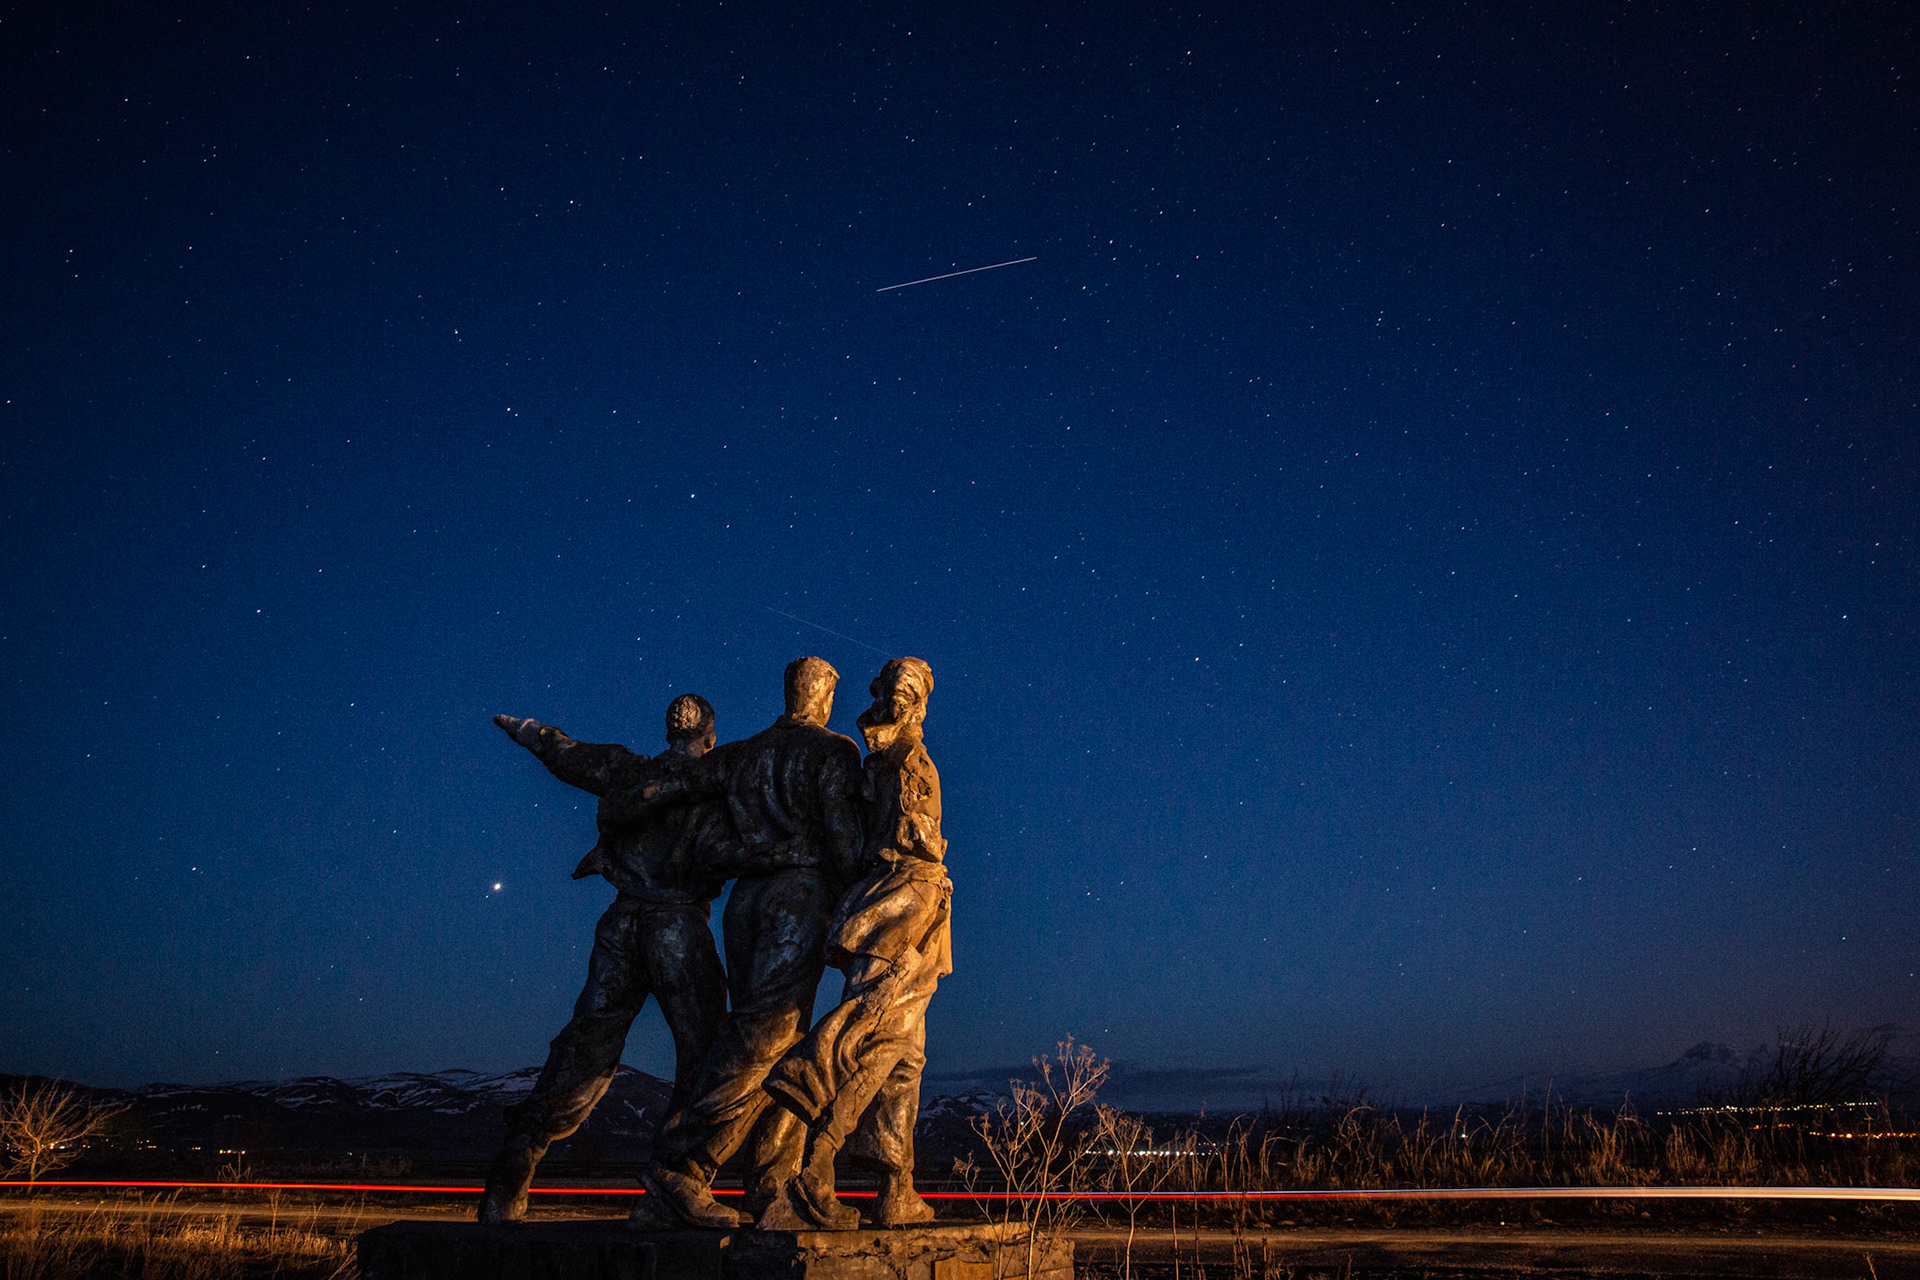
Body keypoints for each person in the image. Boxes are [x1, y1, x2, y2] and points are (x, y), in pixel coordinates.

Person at [626, 657, 866, 1229]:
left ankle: (770, 1183)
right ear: (825, 697)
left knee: (778, 1037)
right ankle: (680, 1166)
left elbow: (677, 784)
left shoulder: (742, 754)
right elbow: (843, 841)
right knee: (765, 1035)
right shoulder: (833, 751)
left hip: (745, 901)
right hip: (797, 897)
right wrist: (858, 905)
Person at [476, 695, 731, 1225]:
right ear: (709, 738)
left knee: (588, 1043)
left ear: (669, 734)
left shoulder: (626, 769)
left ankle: (518, 1161)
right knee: (708, 1052)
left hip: (620, 924)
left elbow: (563, 753)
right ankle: (677, 1177)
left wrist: (525, 728)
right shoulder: (717, 781)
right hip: (676, 926)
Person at [755, 656, 950, 1230]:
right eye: (909, 693)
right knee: (872, 1034)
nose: (910, 703)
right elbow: (914, 838)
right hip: (904, 905)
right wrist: (933, 850)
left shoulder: (878, 761)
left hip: (895, 904)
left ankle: (896, 1187)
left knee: (905, 1054)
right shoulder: (908, 761)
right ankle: (814, 1168)